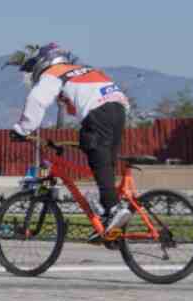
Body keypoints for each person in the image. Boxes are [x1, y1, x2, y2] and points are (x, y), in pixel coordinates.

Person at [10, 42, 132, 232]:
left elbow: (37, 100)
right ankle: (112, 228)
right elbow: (76, 104)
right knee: (104, 164)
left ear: (43, 62)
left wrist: (22, 130)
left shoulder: (54, 72)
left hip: (99, 112)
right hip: (119, 110)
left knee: (97, 158)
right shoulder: (83, 69)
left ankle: (113, 209)